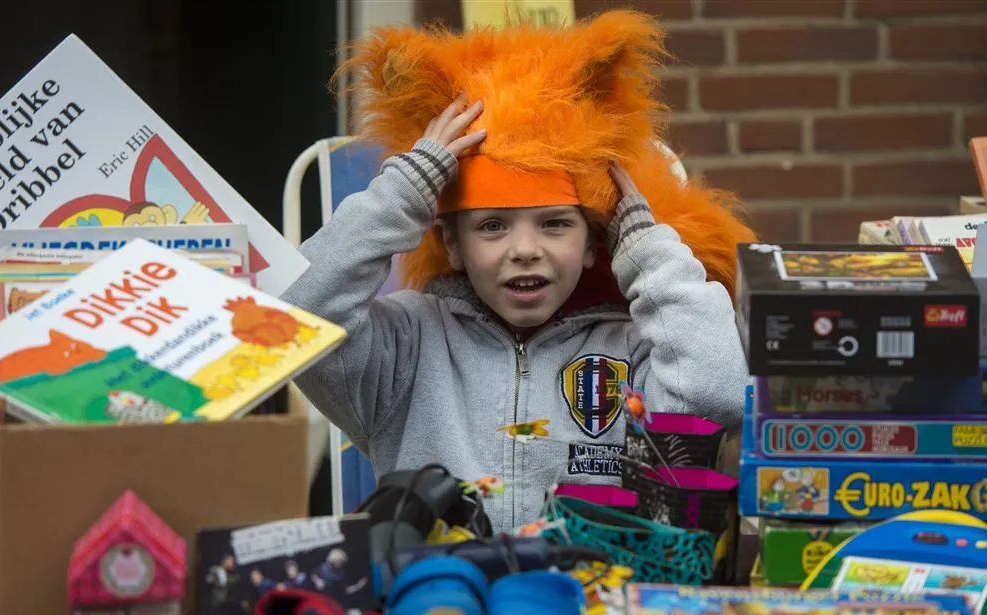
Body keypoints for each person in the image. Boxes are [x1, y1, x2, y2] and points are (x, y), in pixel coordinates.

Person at [282, 11, 753, 533]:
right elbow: (299, 317)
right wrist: (409, 187)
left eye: (554, 224)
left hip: (592, 594)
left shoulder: (636, 346)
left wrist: (645, 246)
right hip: (438, 593)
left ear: (598, 243)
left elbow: (718, 397)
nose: (525, 249)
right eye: (492, 227)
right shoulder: (406, 345)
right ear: (451, 246)